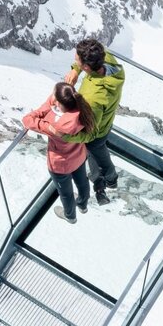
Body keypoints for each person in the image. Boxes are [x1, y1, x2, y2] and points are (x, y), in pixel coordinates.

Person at [63, 39, 125, 205]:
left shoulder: (93, 98)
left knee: (98, 152)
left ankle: (110, 179)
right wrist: (76, 70)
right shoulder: (108, 61)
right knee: (96, 153)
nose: (74, 62)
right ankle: (103, 182)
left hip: (97, 133)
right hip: (106, 121)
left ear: (87, 68)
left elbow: (91, 133)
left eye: (77, 61)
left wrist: (66, 136)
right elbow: (98, 47)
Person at [22, 82, 95, 224]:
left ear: (59, 102)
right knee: (82, 182)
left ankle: (70, 216)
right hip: (79, 156)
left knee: (66, 194)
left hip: (60, 165)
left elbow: (27, 120)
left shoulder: (55, 125)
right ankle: (82, 205)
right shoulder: (81, 110)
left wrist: (47, 109)